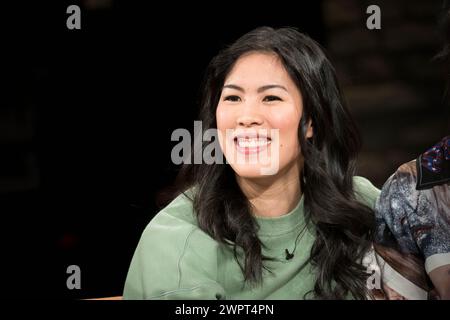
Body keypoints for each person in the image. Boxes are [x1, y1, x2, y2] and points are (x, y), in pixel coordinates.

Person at [123, 26, 382, 300]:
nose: (246, 117)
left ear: (311, 122)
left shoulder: (360, 203)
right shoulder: (176, 239)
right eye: (233, 98)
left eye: (271, 97)